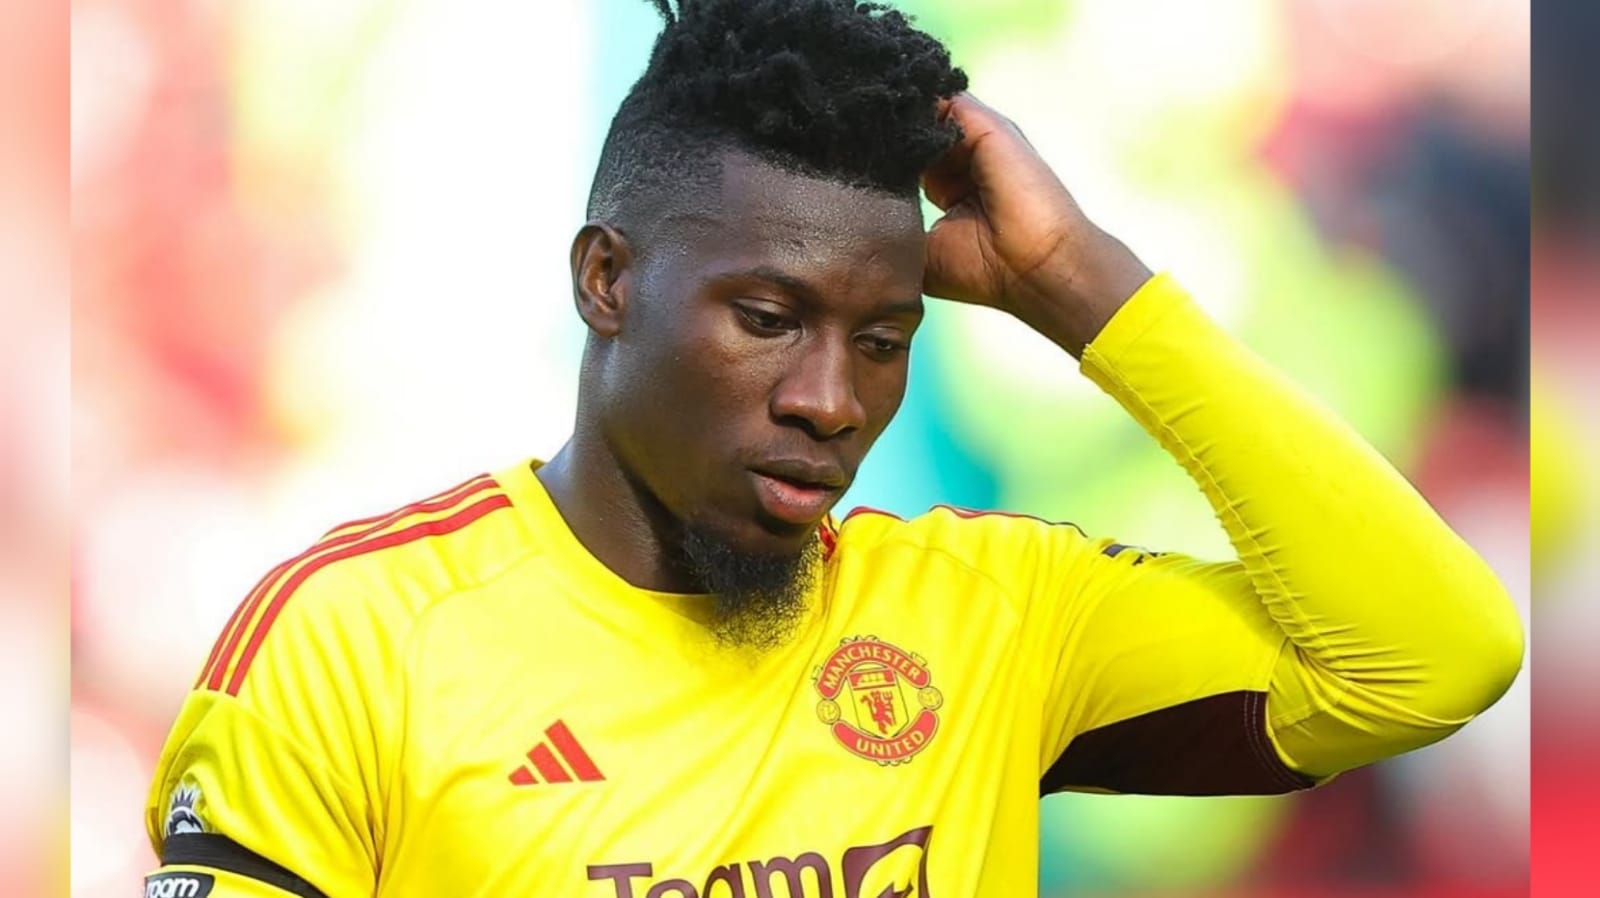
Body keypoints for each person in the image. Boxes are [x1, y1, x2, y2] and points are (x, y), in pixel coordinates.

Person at [142, 1, 1524, 896]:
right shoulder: (353, 641)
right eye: (766, 319)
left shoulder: (989, 621)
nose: (830, 398)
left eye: (882, 338)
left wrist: (1085, 288)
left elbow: (1431, 653)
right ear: (607, 281)